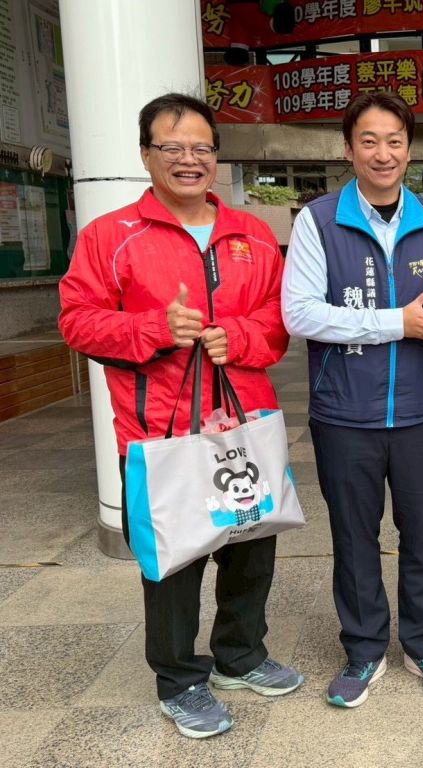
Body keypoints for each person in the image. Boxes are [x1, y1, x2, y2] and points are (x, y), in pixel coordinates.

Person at [58, 93, 303, 739]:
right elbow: (78, 321)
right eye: (172, 147)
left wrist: (238, 337)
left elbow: (277, 321)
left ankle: (240, 655)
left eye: (201, 147)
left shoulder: (252, 234)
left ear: (216, 157)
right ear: (146, 155)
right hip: (158, 432)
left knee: (251, 547)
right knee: (172, 564)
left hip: (244, 426)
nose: (188, 159)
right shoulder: (111, 236)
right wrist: (154, 328)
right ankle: (178, 679)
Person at [282, 91, 423, 708]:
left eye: (394, 141)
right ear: (348, 149)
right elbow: (300, 313)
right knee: (354, 537)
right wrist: (397, 322)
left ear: (409, 150)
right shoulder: (317, 220)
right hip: (344, 413)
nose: (382, 153)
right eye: (369, 141)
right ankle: (363, 650)